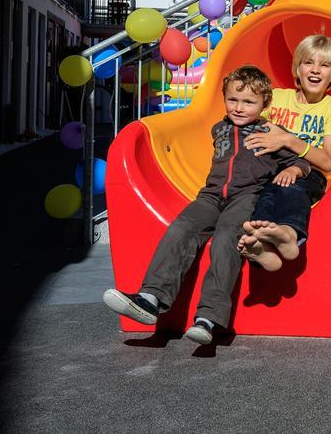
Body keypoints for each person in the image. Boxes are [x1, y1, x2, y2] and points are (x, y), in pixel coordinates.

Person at [102, 65, 311, 345]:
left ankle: (208, 318)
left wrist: (293, 171)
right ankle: (150, 298)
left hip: (247, 197)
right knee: (181, 229)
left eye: (249, 102)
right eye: (232, 100)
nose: (239, 108)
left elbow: (302, 161)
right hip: (210, 195)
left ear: (265, 104)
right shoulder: (219, 128)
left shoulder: (269, 131)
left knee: (227, 239)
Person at [238, 34, 331, 271]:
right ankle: (263, 250)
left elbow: (328, 161)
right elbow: (250, 127)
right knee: (263, 195)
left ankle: (291, 235)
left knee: (290, 186)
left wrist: (288, 140)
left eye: (325, 65)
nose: (315, 70)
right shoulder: (276, 98)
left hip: (309, 175)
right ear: (298, 68)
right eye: (308, 62)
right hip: (269, 169)